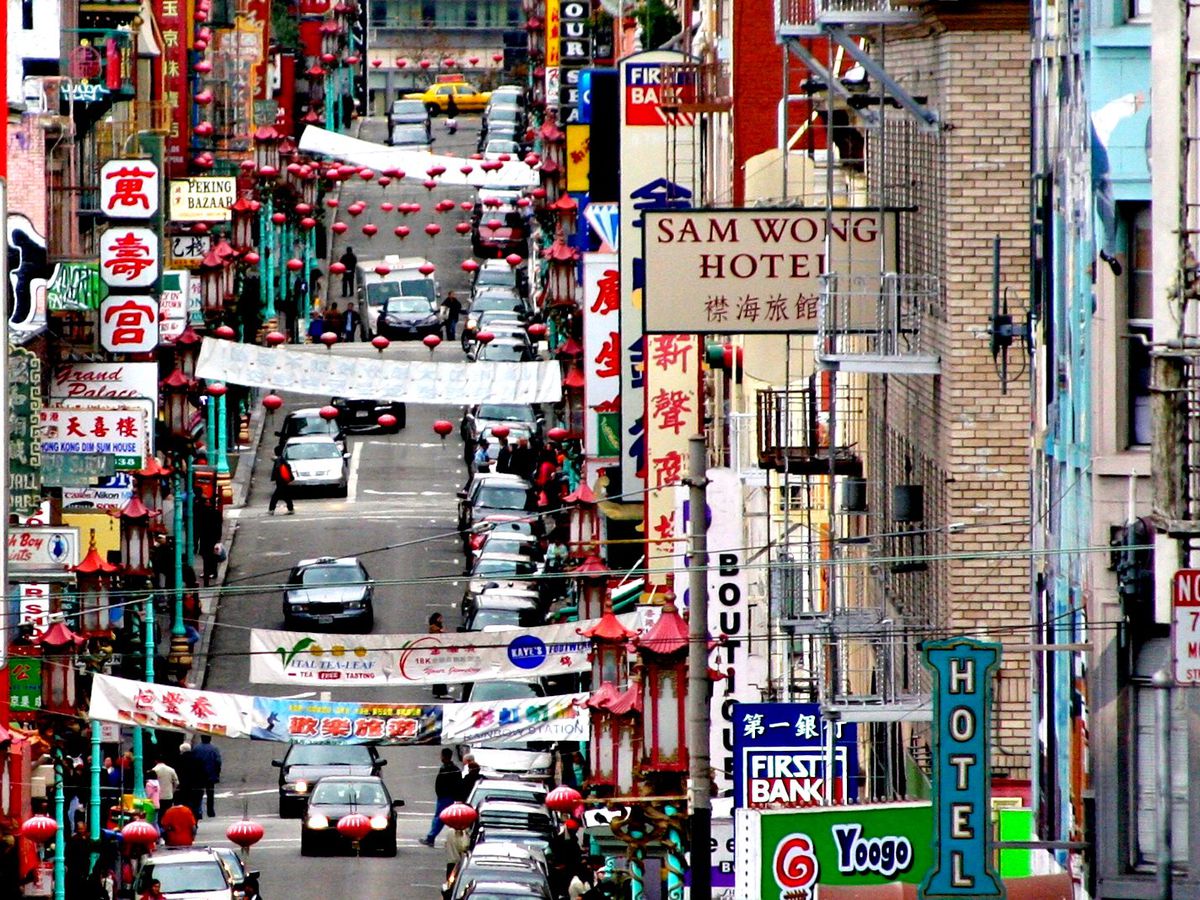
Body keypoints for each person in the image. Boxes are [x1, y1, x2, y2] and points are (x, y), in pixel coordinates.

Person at [421, 748, 460, 846]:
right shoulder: (452, 768)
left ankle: (431, 837)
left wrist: (443, 793)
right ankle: (453, 838)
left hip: (446, 797)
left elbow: (451, 784)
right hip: (446, 796)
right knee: (446, 818)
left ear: (444, 756)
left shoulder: (449, 769)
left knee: (440, 817)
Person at [193, 735, 222, 819]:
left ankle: (199, 812)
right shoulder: (214, 749)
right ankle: (211, 811)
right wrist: (217, 773)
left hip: (199, 774)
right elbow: (218, 762)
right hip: (210, 774)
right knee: (210, 794)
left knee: (198, 794)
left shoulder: (196, 749)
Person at [175, 742, 205, 820]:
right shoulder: (198, 759)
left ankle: (186, 822)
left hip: (183, 787)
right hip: (197, 787)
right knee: (196, 806)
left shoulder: (178, 760)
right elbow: (203, 772)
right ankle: (195, 822)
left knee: (185, 805)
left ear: (181, 750)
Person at [429, 613, 451, 700]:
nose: (441, 620)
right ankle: (441, 692)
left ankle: (438, 692)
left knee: (439, 671)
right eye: (440, 618)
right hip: (437, 652)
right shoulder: (433, 627)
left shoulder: (437, 626)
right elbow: (440, 634)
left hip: (439, 651)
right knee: (440, 671)